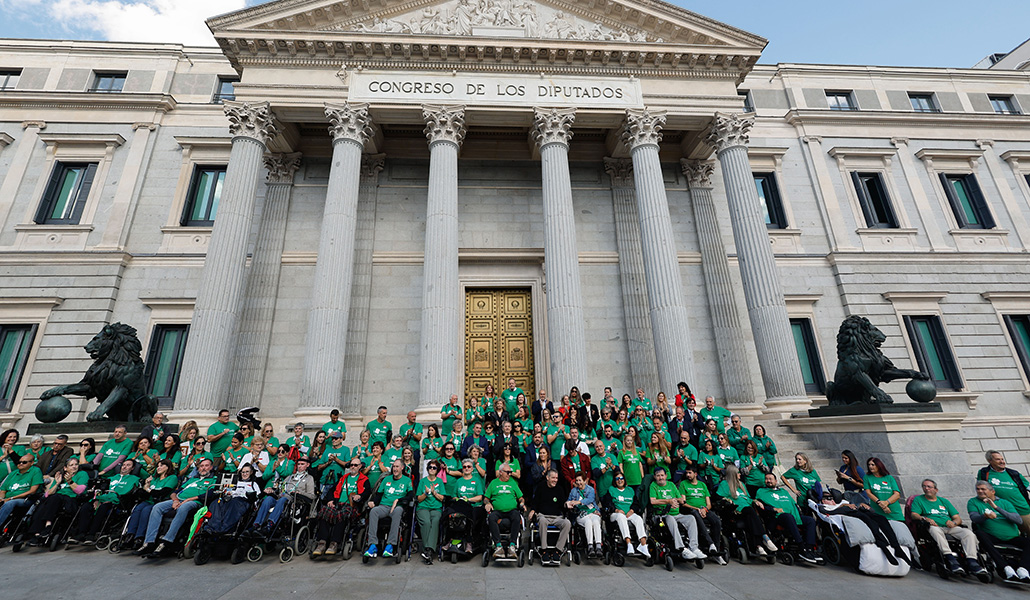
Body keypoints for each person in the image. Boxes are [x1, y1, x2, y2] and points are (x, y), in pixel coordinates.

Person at [135, 457, 218, 557]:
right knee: (157, 507)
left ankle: (167, 541)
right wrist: (175, 500)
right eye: (201, 466)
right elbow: (175, 492)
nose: (203, 468)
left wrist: (188, 500)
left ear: (211, 467)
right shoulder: (192, 479)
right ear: (198, 468)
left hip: (194, 502)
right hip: (178, 500)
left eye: (206, 465)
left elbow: (210, 495)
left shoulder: (214, 480)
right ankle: (149, 542)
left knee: (184, 507)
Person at [808, 488, 908, 566]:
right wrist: (843, 507)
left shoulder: (842, 502)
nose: (832, 500)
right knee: (869, 521)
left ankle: (896, 547)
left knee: (881, 519)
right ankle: (884, 548)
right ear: (823, 500)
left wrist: (861, 504)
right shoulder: (825, 506)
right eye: (828, 498)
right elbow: (826, 512)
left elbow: (853, 504)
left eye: (832, 498)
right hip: (847, 514)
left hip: (856, 510)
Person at [910, 478, 986, 575]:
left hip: (950, 527)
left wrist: (954, 523)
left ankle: (972, 560)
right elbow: (914, 514)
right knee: (935, 530)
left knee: (968, 533)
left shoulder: (944, 501)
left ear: (936, 490)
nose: (926, 488)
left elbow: (957, 518)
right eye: (924, 486)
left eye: (929, 486)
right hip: (934, 526)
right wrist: (925, 518)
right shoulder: (919, 500)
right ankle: (949, 557)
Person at [968, 480, 1030, 582]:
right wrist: (985, 516)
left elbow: (1018, 520)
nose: (980, 491)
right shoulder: (973, 502)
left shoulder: (1004, 502)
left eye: (983, 489)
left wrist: (996, 507)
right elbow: (974, 518)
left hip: (1011, 537)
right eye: (978, 489)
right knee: (979, 533)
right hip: (992, 537)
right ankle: (1005, 567)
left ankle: (1023, 569)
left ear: (993, 491)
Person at [68, 458, 139, 545]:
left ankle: (92, 534)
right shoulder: (110, 478)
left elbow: (127, 494)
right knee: (86, 506)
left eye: (128, 465)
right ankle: (81, 533)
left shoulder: (135, 479)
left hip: (117, 502)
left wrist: (110, 500)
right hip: (101, 499)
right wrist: (97, 499)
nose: (124, 467)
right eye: (123, 465)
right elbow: (99, 491)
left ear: (132, 468)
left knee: (103, 507)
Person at [754, 472, 820, 564]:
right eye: (766, 479)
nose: (768, 481)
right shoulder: (761, 491)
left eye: (770, 479)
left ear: (776, 481)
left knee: (810, 520)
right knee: (788, 517)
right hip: (776, 517)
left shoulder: (783, 491)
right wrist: (773, 509)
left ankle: (810, 549)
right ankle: (801, 547)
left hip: (793, 516)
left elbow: (793, 504)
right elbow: (761, 507)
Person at [312, 458, 368, 557]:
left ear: (360, 467)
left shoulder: (364, 479)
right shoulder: (343, 478)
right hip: (338, 503)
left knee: (342, 515)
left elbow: (367, 492)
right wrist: (330, 500)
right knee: (324, 512)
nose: (353, 467)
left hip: (351, 506)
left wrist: (361, 496)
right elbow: (332, 490)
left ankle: (334, 543)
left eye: (355, 465)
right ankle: (322, 542)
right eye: (351, 465)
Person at [25, 456, 87, 544]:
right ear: (65, 468)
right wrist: (57, 483)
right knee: (42, 505)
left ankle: (48, 525)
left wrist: (70, 482)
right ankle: (36, 534)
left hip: (71, 500)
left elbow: (80, 491)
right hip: (55, 500)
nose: (74, 466)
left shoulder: (82, 474)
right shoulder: (60, 476)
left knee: (54, 498)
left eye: (76, 464)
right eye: (71, 465)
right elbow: (47, 494)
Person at [716, 465, 774, 556]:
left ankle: (758, 546)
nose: (740, 474)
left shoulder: (741, 484)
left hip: (748, 509)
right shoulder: (724, 484)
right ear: (733, 474)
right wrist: (726, 499)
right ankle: (764, 537)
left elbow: (747, 498)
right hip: (736, 510)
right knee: (750, 510)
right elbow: (718, 497)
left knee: (753, 515)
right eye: (738, 473)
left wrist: (756, 501)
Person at [649, 467, 705, 560]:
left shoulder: (671, 484)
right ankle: (681, 548)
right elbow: (653, 501)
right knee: (670, 518)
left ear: (666, 476)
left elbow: (680, 499)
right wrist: (669, 501)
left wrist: (675, 501)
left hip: (676, 514)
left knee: (691, 518)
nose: (660, 478)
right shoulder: (653, 485)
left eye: (662, 475)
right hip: (662, 515)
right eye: (658, 476)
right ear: (655, 477)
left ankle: (694, 547)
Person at [253, 455, 315, 534]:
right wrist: (272, 490)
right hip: (281, 497)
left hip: (294, 500)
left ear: (307, 465)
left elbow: (311, 496)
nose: (299, 466)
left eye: (302, 464)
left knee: (283, 500)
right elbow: (280, 489)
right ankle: (257, 524)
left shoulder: (309, 478)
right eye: (298, 464)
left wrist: (299, 493)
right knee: (268, 499)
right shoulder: (289, 477)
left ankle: (270, 524)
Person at [364, 459, 413, 559]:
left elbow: (410, 496)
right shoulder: (386, 479)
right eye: (393, 466)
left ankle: (390, 545)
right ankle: (372, 544)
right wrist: (373, 502)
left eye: (397, 467)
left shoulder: (407, 480)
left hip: (397, 507)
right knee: (373, 511)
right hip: (384, 506)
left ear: (402, 468)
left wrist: (398, 500)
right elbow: (379, 494)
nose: (394, 469)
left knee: (398, 511)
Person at [123, 458, 178, 548]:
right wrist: (146, 486)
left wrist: (148, 489)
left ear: (168, 467)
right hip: (149, 500)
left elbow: (161, 493)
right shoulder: (154, 478)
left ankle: (139, 537)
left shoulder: (172, 478)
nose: (158, 468)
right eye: (158, 466)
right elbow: (145, 493)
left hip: (161, 502)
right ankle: (130, 535)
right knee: (137, 509)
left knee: (146, 510)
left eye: (161, 466)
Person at [977, 450, 1030, 535]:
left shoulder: (1013, 473)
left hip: (1022, 509)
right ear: (990, 461)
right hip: (1002, 510)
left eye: (1002, 459)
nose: (1002, 461)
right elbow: (981, 488)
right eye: (998, 459)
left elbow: (1028, 486)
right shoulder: (984, 473)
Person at [679, 463, 723, 562]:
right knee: (695, 514)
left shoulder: (702, 485)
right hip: (691, 510)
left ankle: (715, 549)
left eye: (690, 473)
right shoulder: (683, 484)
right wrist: (697, 509)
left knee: (716, 520)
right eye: (687, 473)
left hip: (704, 509)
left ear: (695, 474)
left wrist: (705, 509)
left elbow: (709, 504)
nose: (688, 475)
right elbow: (684, 503)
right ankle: (710, 543)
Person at [202, 464, 261, 535]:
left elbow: (257, 497)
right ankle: (212, 527)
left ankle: (222, 529)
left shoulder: (254, 484)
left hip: (242, 501)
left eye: (247, 472)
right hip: (229, 499)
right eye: (243, 472)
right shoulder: (235, 482)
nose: (244, 474)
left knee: (233, 503)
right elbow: (228, 490)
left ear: (251, 472)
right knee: (216, 503)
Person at [528, 469, 571, 563]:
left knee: (567, 523)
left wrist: (567, 505)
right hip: (543, 516)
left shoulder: (559, 489)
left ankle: (558, 550)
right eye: (553, 478)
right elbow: (535, 502)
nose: (555, 480)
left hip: (556, 517)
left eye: (556, 478)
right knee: (542, 521)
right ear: (547, 478)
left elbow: (563, 505)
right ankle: (544, 550)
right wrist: (532, 510)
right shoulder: (541, 487)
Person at [484, 462, 525, 558]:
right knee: (491, 517)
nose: (510, 474)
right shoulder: (494, 483)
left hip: (511, 510)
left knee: (516, 516)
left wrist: (522, 503)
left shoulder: (513, 483)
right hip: (497, 511)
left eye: (511, 472)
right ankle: (498, 546)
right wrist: (487, 503)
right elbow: (486, 498)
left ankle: (512, 545)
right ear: (501, 472)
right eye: (508, 472)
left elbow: (521, 497)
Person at [606, 471, 649, 558]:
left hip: (629, 513)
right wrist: (616, 510)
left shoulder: (630, 490)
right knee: (621, 517)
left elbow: (636, 503)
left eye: (621, 478)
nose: (619, 480)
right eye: (617, 479)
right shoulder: (611, 489)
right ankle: (628, 543)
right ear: (614, 481)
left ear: (624, 480)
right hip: (616, 515)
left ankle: (643, 545)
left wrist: (632, 510)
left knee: (638, 519)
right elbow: (607, 503)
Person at [0, 451, 43, 526]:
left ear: (32, 463)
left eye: (24, 462)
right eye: (19, 462)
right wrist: (1, 498)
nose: (20, 464)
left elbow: (32, 491)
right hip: (8, 498)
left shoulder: (36, 471)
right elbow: (3, 490)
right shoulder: (13, 473)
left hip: (26, 499)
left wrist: (12, 498)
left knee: (10, 503)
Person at [416, 459, 446, 563]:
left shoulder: (440, 481)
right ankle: (428, 549)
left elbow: (442, 498)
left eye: (434, 468)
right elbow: (419, 499)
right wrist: (425, 493)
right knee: (427, 522)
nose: (432, 469)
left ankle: (428, 550)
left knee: (436, 521)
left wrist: (434, 493)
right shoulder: (423, 481)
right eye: (430, 467)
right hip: (423, 507)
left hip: (436, 508)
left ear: (437, 470)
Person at [567, 472, 603, 558]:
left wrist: (578, 502)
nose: (578, 482)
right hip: (581, 514)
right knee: (588, 522)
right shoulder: (574, 491)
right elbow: (569, 501)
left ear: (584, 481)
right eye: (577, 481)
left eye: (580, 480)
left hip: (592, 511)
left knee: (596, 522)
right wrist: (568, 503)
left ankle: (598, 546)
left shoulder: (590, 490)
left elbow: (590, 500)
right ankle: (590, 546)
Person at [863, 457, 902, 522]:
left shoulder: (889, 478)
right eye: (869, 465)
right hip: (878, 510)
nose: (870, 466)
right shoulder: (867, 477)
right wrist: (881, 504)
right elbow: (868, 493)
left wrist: (886, 503)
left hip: (892, 510)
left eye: (873, 465)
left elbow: (897, 494)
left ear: (879, 465)